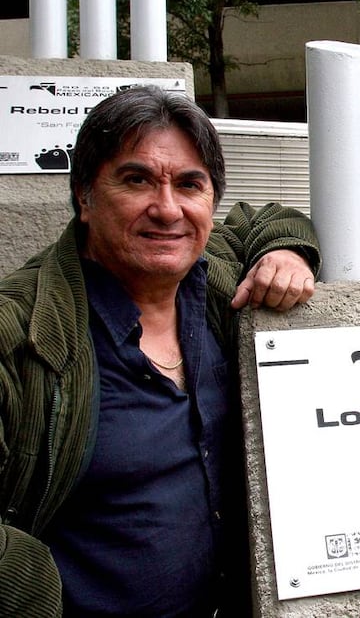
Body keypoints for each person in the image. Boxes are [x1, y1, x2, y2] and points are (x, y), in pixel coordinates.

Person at [0, 85, 321, 617]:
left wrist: (284, 252)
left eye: (190, 185)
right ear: (85, 196)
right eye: (137, 179)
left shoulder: (211, 281)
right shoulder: (19, 334)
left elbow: (264, 219)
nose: (167, 209)